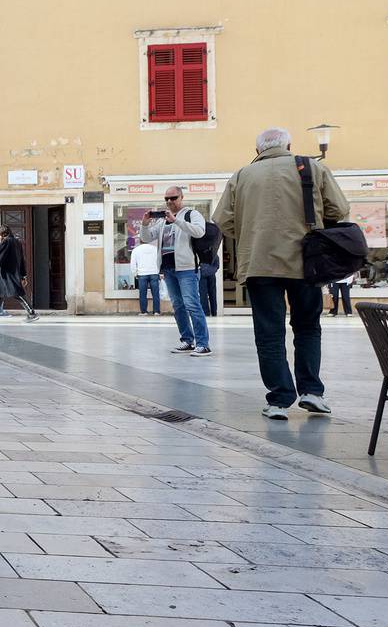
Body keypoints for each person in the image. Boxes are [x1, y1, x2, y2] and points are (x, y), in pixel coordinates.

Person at [214, 126, 351, 420]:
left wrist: (250, 235)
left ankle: (278, 399)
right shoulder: (312, 168)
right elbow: (339, 208)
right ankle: (312, 391)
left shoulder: (241, 175)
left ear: (257, 151)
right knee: (307, 327)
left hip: (259, 263)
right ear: (290, 145)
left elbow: (222, 220)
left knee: (268, 333)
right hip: (305, 261)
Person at [143, 186, 211, 357]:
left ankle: (203, 344)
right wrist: (144, 224)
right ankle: (187, 340)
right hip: (168, 269)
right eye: (166, 199)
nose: (169, 202)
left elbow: (199, 232)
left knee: (192, 305)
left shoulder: (191, 214)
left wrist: (177, 221)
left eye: (173, 198)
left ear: (181, 197)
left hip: (187, 268)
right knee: (178, 306)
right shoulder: (161, 221)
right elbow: (145, 238)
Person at [0, 227, 40, 321]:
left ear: (2, 234)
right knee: (0, 293)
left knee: (17, 293)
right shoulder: (17, 242)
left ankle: (32, 313)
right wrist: (23, 275)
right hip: (13, 272)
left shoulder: (6, 242)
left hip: (8, 273)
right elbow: (22, 259)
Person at [129, 235, 162, 316]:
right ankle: (156, 311)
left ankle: (144, 311)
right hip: (154, 272)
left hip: (142, 274)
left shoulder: (136, 250)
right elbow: (160, 261)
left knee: (142, 293)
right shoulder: (155, 249)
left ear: (140, 240)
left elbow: (133, 263)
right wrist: (160, 272)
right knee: (155, 293)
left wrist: (135, 273)